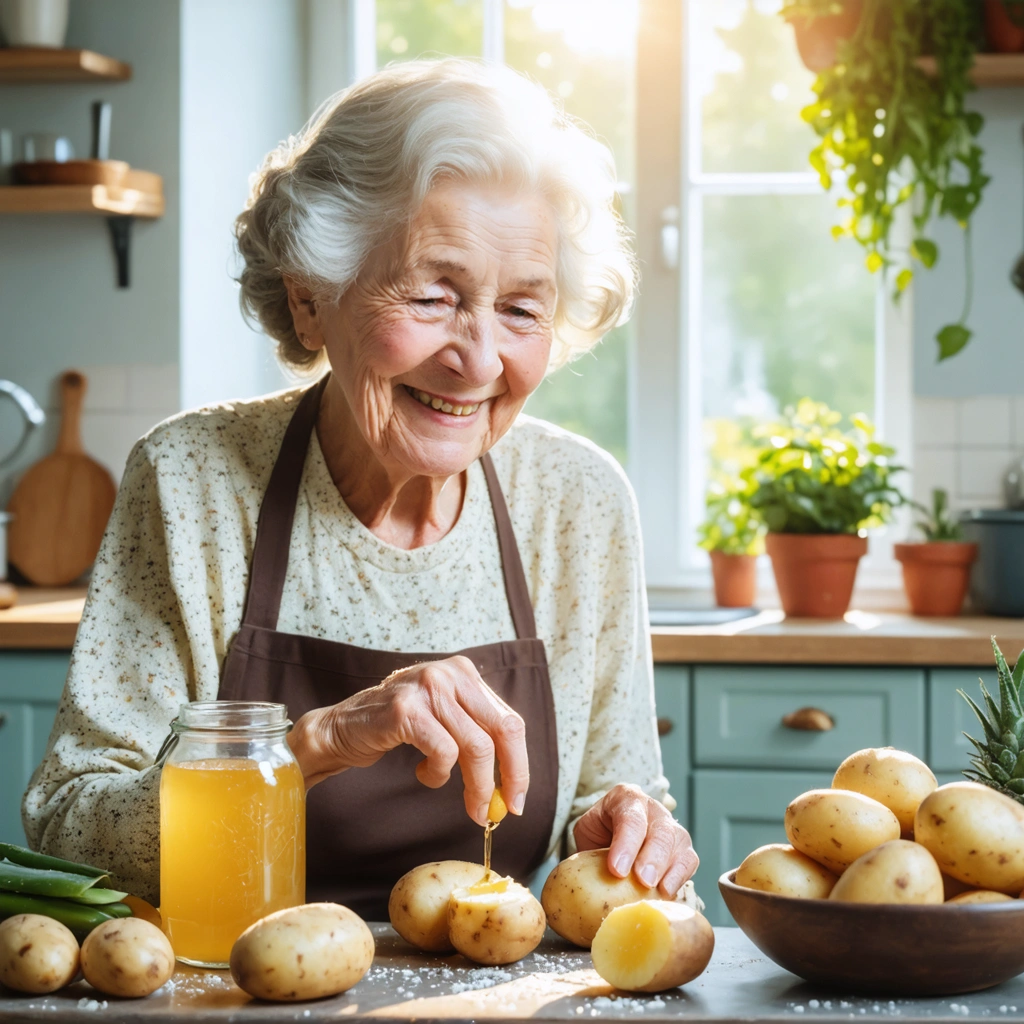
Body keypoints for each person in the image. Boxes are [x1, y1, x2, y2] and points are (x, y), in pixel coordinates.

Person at [23, 59, 698, 919]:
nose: (479, 361)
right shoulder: (193, 479)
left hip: (492, 982)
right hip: (228, 975)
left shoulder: (578, 502)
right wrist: (321, 743)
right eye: (432, 296)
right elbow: (70, 831)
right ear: (311, 299)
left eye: (521, 310)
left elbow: (607, 798)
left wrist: (623, 830)